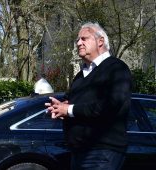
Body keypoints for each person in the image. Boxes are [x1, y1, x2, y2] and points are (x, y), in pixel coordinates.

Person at [45, 22, 132, 170]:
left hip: (103, 151)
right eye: (77, 40)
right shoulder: (80, 75)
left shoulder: (117, 69)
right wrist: (59, 108)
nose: (78, 43)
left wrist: (69, 110)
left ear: (100, 41)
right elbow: (71, 102)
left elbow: (110, 106)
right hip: (78, 152)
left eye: (84, 38)